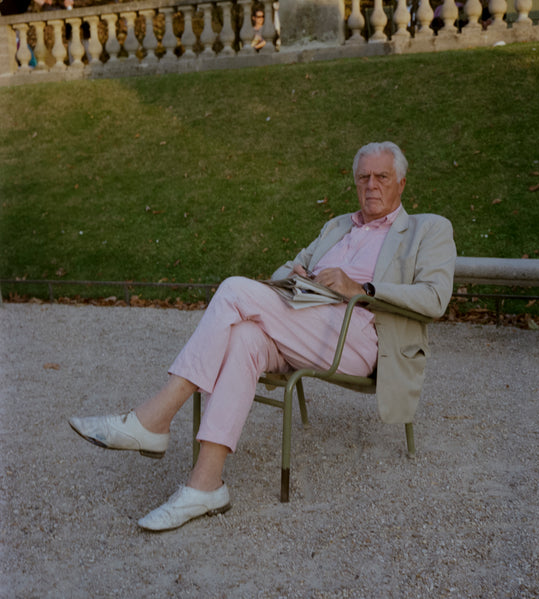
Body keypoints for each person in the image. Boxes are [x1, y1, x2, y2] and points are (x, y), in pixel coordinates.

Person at [69, 141, 457, 532]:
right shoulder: (338, 225)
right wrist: (294, 278)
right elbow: (291, 265)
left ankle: (154, 419)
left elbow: (435, 297)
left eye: (382, 177)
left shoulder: (428, 228)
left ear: (401, 183)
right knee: (245, 337)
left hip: (361, 337)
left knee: (234, 289)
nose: (371, 185)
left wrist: (363, 288)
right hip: (303, 320)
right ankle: (206, 485)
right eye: (364, 177)